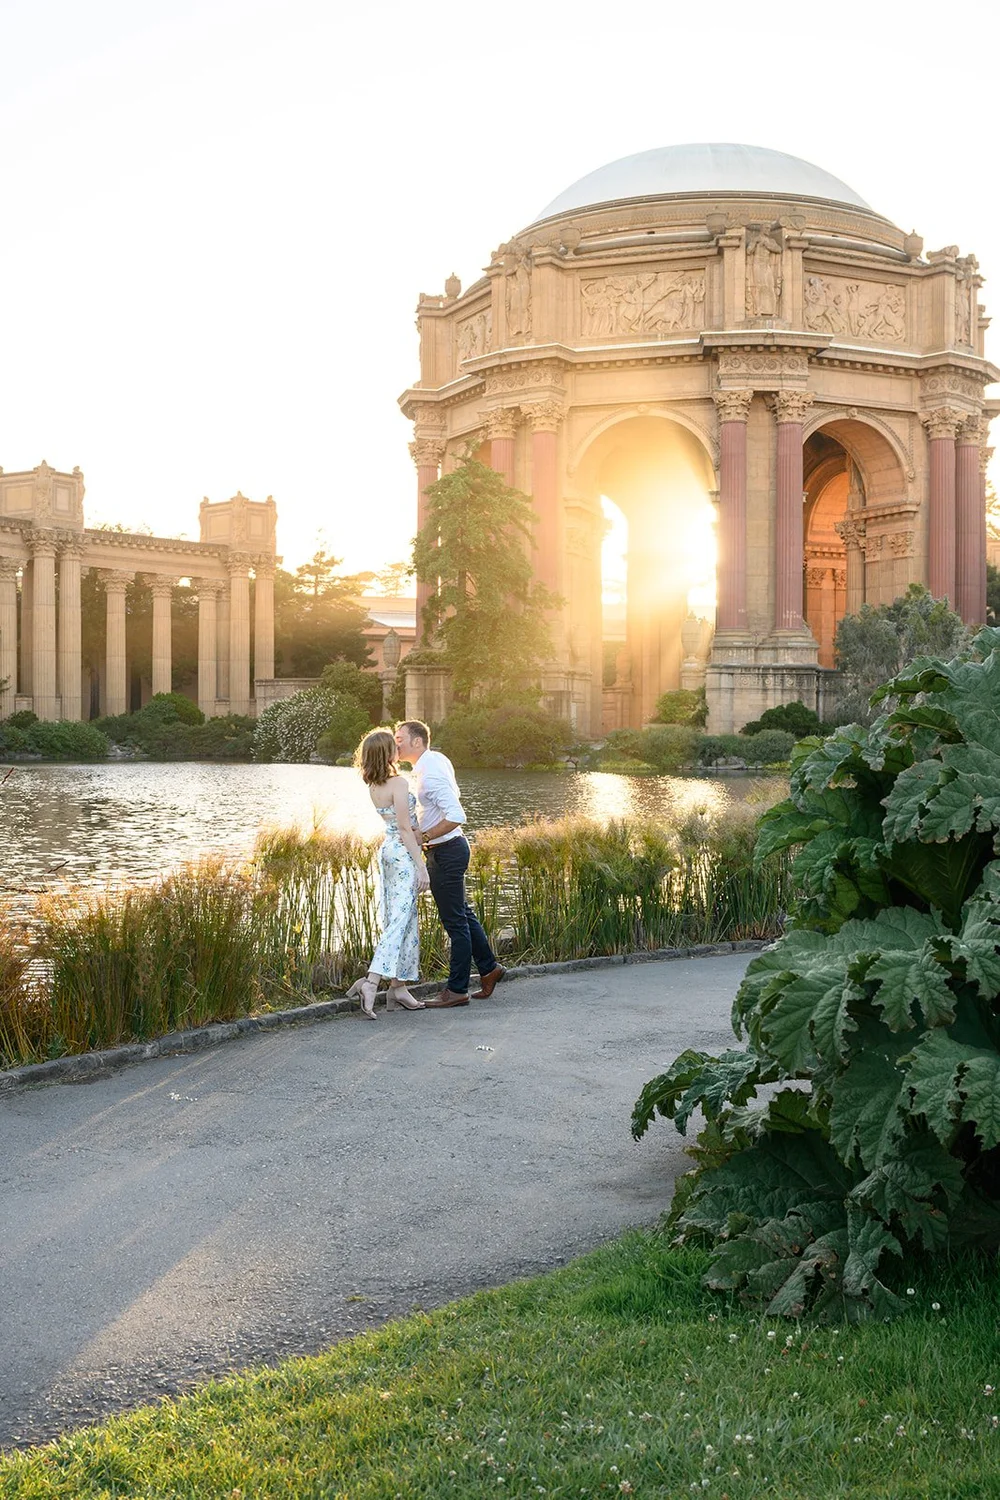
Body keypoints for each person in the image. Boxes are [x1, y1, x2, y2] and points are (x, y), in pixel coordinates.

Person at [394, 719, 505, 1009]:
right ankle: (489, 968)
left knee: (455, 922)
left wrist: (424, 836)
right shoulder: (433, 761)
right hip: (449, 849)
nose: (396, 743)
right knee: (463, 915)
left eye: (400, 738)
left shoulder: (429, 774)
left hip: (446, 851)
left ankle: (457, 990)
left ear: (417, 741)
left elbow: (456, 814)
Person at [346, 728, 429, 1018]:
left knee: (401, 918)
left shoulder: (375, 786)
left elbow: (402, 825)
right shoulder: (398, 782)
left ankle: (399, 986)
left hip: (388, 852)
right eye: (393, 745)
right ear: (386, 753)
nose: (398, 748)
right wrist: (421, 866)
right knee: (399, 921)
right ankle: (371, 982)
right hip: (402, 854)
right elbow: (405, 828)